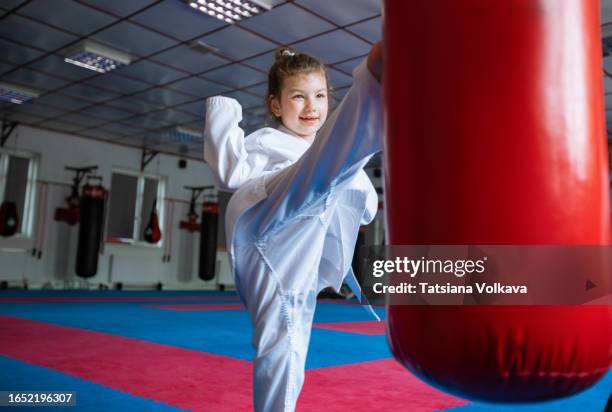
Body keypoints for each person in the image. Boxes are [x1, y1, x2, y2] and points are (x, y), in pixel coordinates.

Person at [204, 43, 383, 412]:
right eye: (298, 97)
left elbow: (364, 208)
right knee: (326, 168)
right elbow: (230, 173)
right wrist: (224, 113)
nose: (311, 106)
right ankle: (372, 86)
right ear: (276, 105)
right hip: (265, 220)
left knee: (288, 341)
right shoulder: (269, 140)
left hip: (294, 255)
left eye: (319, 96)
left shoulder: (330, 156)